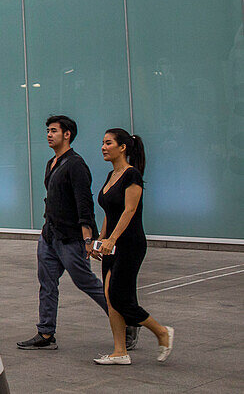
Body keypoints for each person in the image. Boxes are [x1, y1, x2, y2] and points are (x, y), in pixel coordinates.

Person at [18, 115, 138, 351]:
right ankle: (45, 333)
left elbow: (84, 203)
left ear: (67, 134)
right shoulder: (51, 163)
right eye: (48, 131)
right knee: (47, 283)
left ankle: (127, 321)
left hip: (70, 238)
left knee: (87, 283)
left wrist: (87, 238)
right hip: (49, 235)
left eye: (54, 130)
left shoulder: (76, 164)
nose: (49, 135)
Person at [91, 128, 175, 365]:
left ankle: (161, 332)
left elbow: (129, 211)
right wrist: (101, 240)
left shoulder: (132, 175)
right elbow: (110, 212)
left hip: (130, 244)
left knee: (120, 297)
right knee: (110, 297)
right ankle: (120, 351)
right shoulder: (111, 175)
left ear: (123, 147)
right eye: (102, 143)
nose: (103, 147)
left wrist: (112, 240)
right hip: (112, 245)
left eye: (108, 143)